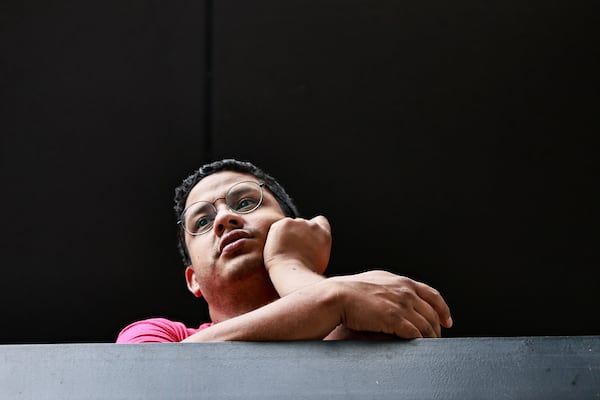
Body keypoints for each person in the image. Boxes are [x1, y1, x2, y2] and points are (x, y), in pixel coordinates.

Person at [116, 159, 453, 343]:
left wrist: (287, 263)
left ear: (293, 229)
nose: (225, 218)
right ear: (193, 280)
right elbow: (152, 379)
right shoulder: (160, 336)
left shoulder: (369, 303)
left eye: (246, 202)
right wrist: (335, 299)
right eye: (202, 222)